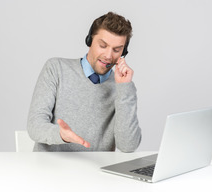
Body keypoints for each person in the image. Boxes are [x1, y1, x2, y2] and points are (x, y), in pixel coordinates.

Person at [27, 12, 141, 152]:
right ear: (89, 40)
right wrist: (60, 135)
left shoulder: (124, 88)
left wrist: (124, 88)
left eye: (117, 50)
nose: (108, 56)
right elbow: (34, 125)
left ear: (124, 52)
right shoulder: (56, 68)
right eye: (103, 46)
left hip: (94, 172)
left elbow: (128, 146)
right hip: (50, 169)